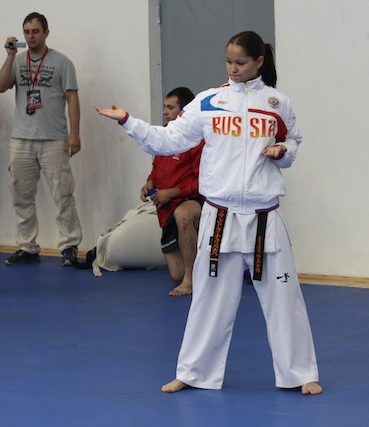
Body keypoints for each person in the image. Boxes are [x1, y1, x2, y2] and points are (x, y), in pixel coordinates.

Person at [94, 31, 322, 395]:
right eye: (228, 61)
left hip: (264, 216)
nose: (233, 68)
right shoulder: (208, 102)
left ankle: (300, 374)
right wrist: (128, 121)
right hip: (220, 216)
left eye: (241, 62)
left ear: (259, 62)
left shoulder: (277, 103)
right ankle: (193, 372)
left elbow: (292, 142)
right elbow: (168, 139)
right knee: (208, 298)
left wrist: (283, 151)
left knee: (284, 298)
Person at [0, 12, 83, 266]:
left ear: (46, 32)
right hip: (22, 138)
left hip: (54, 138)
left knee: (63, 195)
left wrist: (74, 134)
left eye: (35, 31)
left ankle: (69, 246)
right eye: (27, 32)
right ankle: (27, 246)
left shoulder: (62, 62)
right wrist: (9, 56)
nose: (31, 36)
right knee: (21, 196)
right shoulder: (17, 60)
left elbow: (72, 99)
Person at [142, 87, 204, 296]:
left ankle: (191, 279)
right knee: (176, 274)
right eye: (164, 107)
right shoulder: (164, 135)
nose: (164, 112)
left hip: (193, 201)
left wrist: (172, 192)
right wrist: (149, 183)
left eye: (170, 107)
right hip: (167, 207)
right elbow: (156, 168)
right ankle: (188, 274)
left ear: (184, 111)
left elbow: (203, 182)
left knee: (183, 214)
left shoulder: (197, 139)